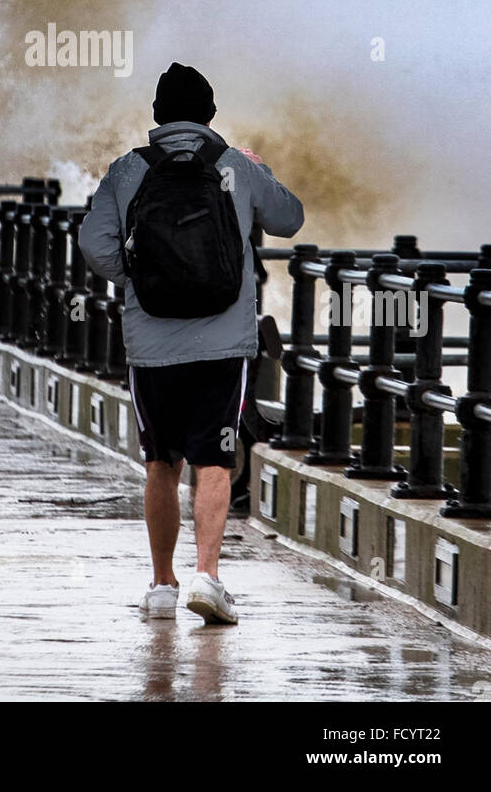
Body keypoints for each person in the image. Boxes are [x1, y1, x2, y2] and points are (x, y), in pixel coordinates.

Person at [78, 62, 304, 624]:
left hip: (151, 345)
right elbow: (290, 219)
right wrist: (259, 168)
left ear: (157, 117)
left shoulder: (128, 170)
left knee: (160, 462)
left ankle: (161, 586)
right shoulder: (233, 166)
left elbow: (93, 244)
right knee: (214, 462)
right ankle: (208, 576)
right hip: (224, 343)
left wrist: (139, 280)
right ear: (209, 115)